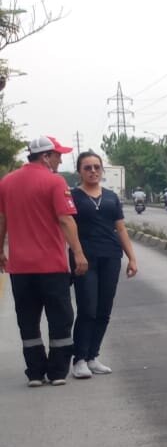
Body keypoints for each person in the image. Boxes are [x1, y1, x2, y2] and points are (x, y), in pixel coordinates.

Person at [0, 136, 88, 387]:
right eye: (58, 155)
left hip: (20, 268)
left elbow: (1, 220)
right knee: (60, 318)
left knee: (27, 319)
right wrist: (79, 253)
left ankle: (36, 373)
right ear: (45, 156)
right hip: (51, 266)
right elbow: (66, 220)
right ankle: (58, 372)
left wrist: (0, 251)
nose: (61, 159)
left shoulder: (6, 182)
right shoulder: (54, 181)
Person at [69, 152, 138, 379]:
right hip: (84, 260)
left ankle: (92, 356)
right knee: (87, 308)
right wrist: (75, 254)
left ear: (102, 170)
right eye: (87, 167)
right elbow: (66, 228)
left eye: (97, 167)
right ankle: (79, 359)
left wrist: (132, 258)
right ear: (79, 171)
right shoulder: (72, 197)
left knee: (103, 310)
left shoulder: (111, 197)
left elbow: (120, 229)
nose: (93, 171)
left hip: (110, 257)